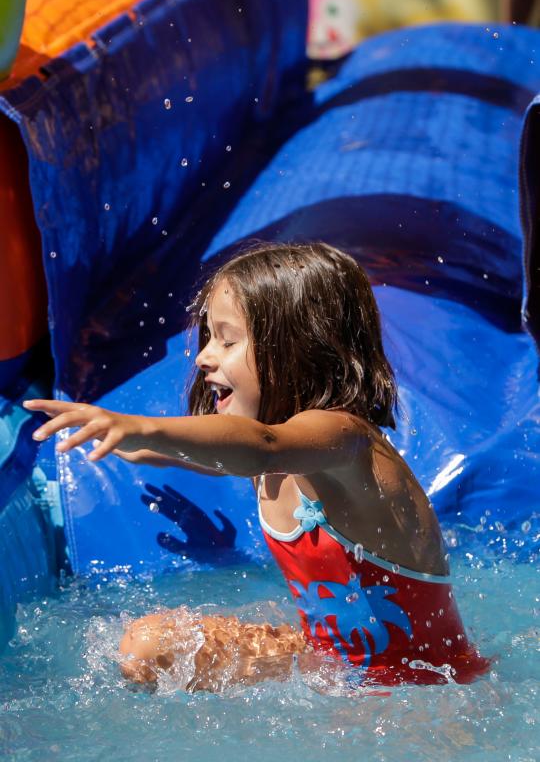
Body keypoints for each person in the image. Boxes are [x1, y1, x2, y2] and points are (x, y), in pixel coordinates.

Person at [24, 242, 489, 692]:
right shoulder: (277, 452)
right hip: (330, 661)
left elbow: (259, 446)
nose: (204, 356)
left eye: (227, 340)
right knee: (148, 647)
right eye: (208, 338)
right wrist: (132, 443)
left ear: (300, 348)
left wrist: (144, 428)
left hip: (424, 684)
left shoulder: (344, 441)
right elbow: (220, 451)